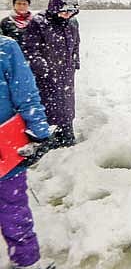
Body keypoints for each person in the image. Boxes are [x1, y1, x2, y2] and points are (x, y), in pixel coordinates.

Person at [0, 35, 55, 269]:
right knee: (13, 206)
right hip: (5, 148)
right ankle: (25, 262)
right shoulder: (5, 48)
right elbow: (26, 94)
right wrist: (40, 132)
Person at [22, 0, 81, 148]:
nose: (67, 15)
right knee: (48, 106)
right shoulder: (40, 22)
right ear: (55, 7)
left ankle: (66, 134)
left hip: (66, 73)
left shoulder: (73, 23)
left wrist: (75, 61)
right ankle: (44, 138)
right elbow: (30, 49)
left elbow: (76, 44)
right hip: (46, 75)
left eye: (71, 11)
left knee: (66, 106)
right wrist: (42, 67)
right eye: (63, 11)